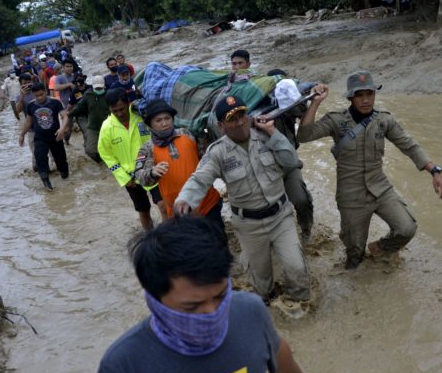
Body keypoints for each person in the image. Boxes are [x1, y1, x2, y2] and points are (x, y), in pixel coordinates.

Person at [90, 216, 309, 373]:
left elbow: (275, 347)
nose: (211, 312)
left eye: (221, 295)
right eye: (192, 306)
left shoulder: (250, 310)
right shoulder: (122, 366)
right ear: (155, 300)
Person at [298, 71, 442, 269]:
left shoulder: (384, 121)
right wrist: (315, 103)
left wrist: (434, 171)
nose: (365, 100)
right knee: (354, 255)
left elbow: (409, 145)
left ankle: (380, 248)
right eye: (360, 95)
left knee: (406, 228)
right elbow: (304, 135)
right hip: (351, 195)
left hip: (380, 188)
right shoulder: (336, 120)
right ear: (351, 97)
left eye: (369, 94)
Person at [175, 95, 310, 302]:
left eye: (242, 115)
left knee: (297, 268)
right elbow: (200, 179)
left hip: (281, 217)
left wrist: (272, 132)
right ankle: (266, 308)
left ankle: (303, 308)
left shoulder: (267, 136)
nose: (240, 122)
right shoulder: (217, 152)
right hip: (249, 226)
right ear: (221, 126)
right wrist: (185, 200)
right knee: (261, 282)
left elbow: (291, 161)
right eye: (232, 118)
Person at [133, 99, 223, 228]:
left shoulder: (188, 133)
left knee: (218, 242)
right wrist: (152, 172)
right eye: (158, 120)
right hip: (178, 212)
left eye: (167, 118)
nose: (164, 123)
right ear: (150, 125)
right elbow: (140, 177)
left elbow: (209, 154)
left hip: (208, 204)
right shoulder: (148, 148)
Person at [98, 88, 168, 230]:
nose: (119, 113)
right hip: (131, 177)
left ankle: (168, 234)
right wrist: (123, 177)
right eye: (114, 110)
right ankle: (149, 237)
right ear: (109, 109)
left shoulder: (141, 117)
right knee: (143, 209)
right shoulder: (107, 128)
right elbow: (106, 154)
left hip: (153, 169)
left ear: (128, 103)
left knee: (163, 205)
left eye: (122, 109)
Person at [266, 69, 314, 240]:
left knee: (301, 199)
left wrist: (314, 99)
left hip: (288, 162)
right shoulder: (257, 108)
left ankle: (306, 228)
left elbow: (303, 112)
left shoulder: (289, 102)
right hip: (264, 167)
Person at [19, 83, 69, 190]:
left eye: (42, 94)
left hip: (56, 136)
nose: (40, 97)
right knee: (40, 158)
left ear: (45, 91)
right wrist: (22, 134)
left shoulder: (55, 102)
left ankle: (65, 178)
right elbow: (28, 121)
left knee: (61, 162)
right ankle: (46, 182)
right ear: (33, 94)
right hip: (40, 138)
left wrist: (62, 128)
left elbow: (64, 116)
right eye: (37, 96)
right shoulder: (31, 105)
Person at [68, 75, 110, 162]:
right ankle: (100, 161)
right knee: (90, 150)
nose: (99, 90)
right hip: (93, 127)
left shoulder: (109, 94)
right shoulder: (88, 95)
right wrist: (68, 114)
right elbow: (79, 107)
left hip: (108, 127)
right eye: (97, 88)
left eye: (100, 88)